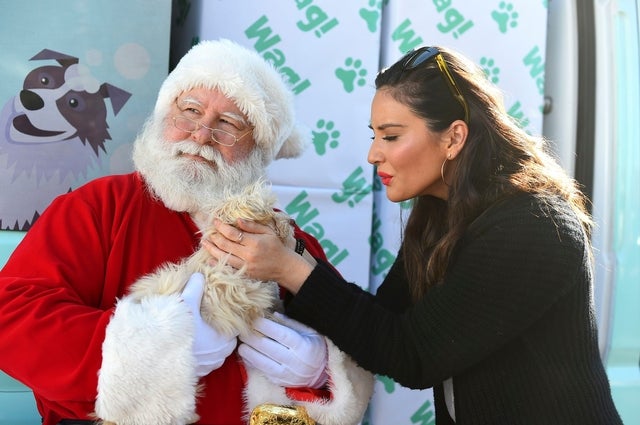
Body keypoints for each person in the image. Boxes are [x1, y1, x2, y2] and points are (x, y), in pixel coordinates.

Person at [206, 45, 624, 424]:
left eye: (391, 136)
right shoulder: (442, 214)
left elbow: (413, 356)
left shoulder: (533, 225)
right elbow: (383, 321)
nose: (373, 154)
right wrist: (291, 259)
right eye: (375, 137)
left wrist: (291, 268)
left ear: (454, 138)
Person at [0, 39, 373, 425]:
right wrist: (156, 348)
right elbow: (12, 316)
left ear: (259, 151)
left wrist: (320, 374)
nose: (201, 134)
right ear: (164, 116)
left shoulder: (290, 245)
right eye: (190, 111)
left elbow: (352, 356)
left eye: (229, 124)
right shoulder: (99, 206)